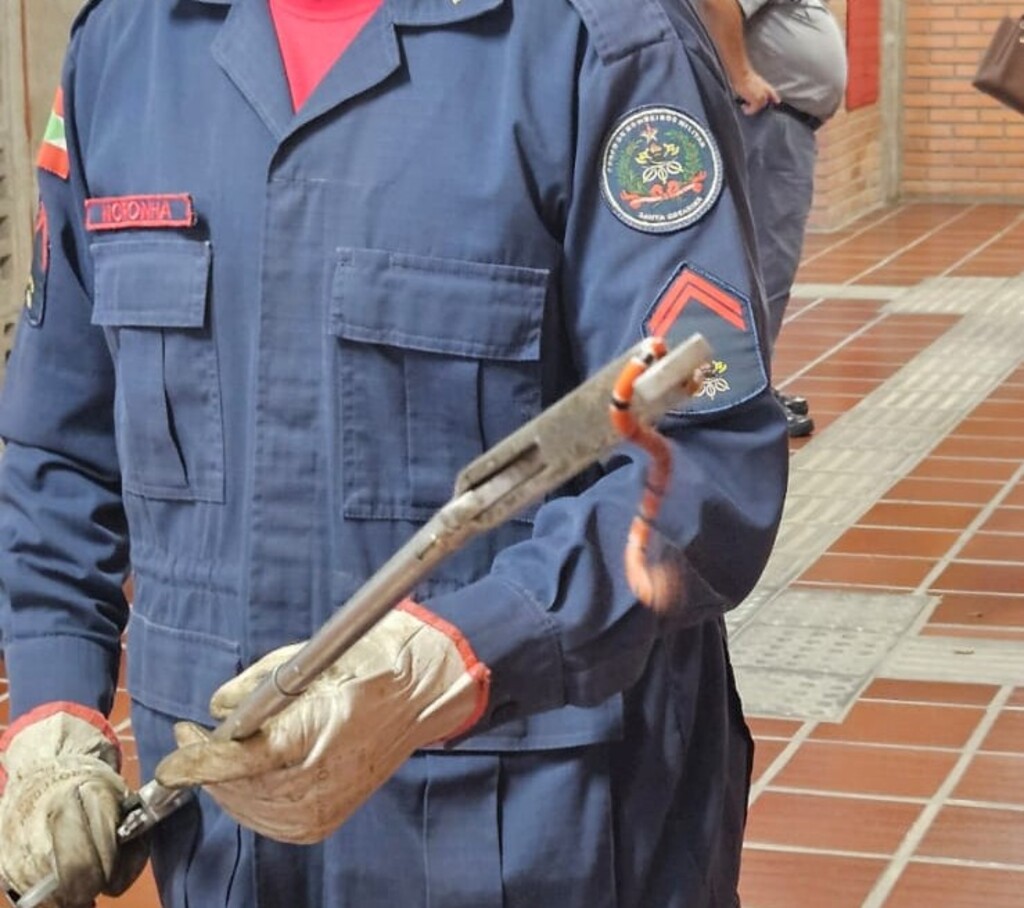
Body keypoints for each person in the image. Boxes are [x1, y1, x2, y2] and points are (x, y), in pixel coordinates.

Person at [0, 1, 788, 906]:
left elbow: (707, 458)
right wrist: (53, 708)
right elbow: (61, 442)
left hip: (541, 830)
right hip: (229, 847)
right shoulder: (127, 46)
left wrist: (465, 652)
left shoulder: (602, 45)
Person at [697, 0, 848, 437]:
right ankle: (741, 399)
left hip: (781, 125)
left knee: (767, 268)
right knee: (763, 267)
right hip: (766, 123)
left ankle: (751, 388)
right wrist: (741, 74)